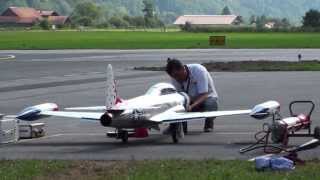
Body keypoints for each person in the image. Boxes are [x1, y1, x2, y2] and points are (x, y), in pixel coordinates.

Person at [165, 58, 219, 132]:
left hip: (206, 98)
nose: (177, 79)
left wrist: (191, 106)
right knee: (175, 106)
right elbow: (178, 96)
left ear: (183, 69)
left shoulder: (199, 70)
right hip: (189, 99)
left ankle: (209, 123)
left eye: (178, 75)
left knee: (210, 104)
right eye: (174, 77)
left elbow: (204, 94)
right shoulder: (175, 77)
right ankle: (176, 125)